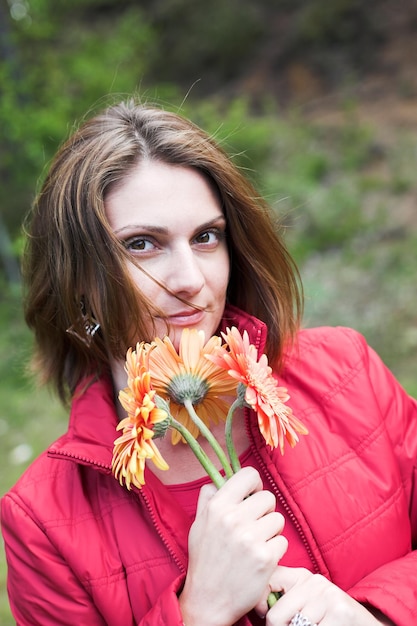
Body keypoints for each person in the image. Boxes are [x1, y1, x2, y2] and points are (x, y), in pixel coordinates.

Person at [1, 98, 416, 626]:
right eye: (143, 244)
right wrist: (198, 611)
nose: (189, 279)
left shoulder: (346, 371)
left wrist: (376, 613)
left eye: (206, 237)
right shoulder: (42, 522)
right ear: (79, 281)